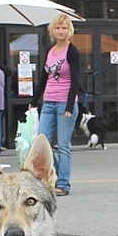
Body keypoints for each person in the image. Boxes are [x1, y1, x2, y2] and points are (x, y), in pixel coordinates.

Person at [31, 13, 80, 196]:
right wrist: (34, 101)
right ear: (53, 30)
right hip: (49, 101)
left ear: (69, 31)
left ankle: (64, 184)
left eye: (64, 28)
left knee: (63, 145)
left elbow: (75, 79)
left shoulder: (72, 51)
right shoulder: (51, 50)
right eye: (58, 28)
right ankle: (57, 174)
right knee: (42, 141)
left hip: (65, 102)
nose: (61, 31)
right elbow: (44, 77)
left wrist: (69, 105)